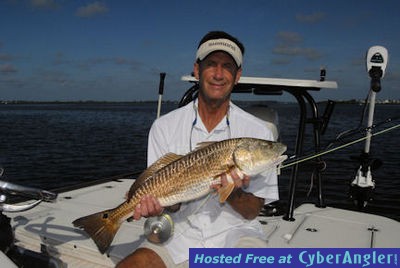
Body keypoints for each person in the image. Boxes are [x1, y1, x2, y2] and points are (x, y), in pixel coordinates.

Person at [117, 31, 278, 268]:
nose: (218, 74)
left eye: (227, 67)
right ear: (197, 70)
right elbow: (170, 202)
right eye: (211, 64)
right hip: (178, 229)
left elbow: (252, 211)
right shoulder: (164, 126)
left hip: (237, 231)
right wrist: (156, 203)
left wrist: (231, 190)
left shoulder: (258, 133)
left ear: (238, 76)